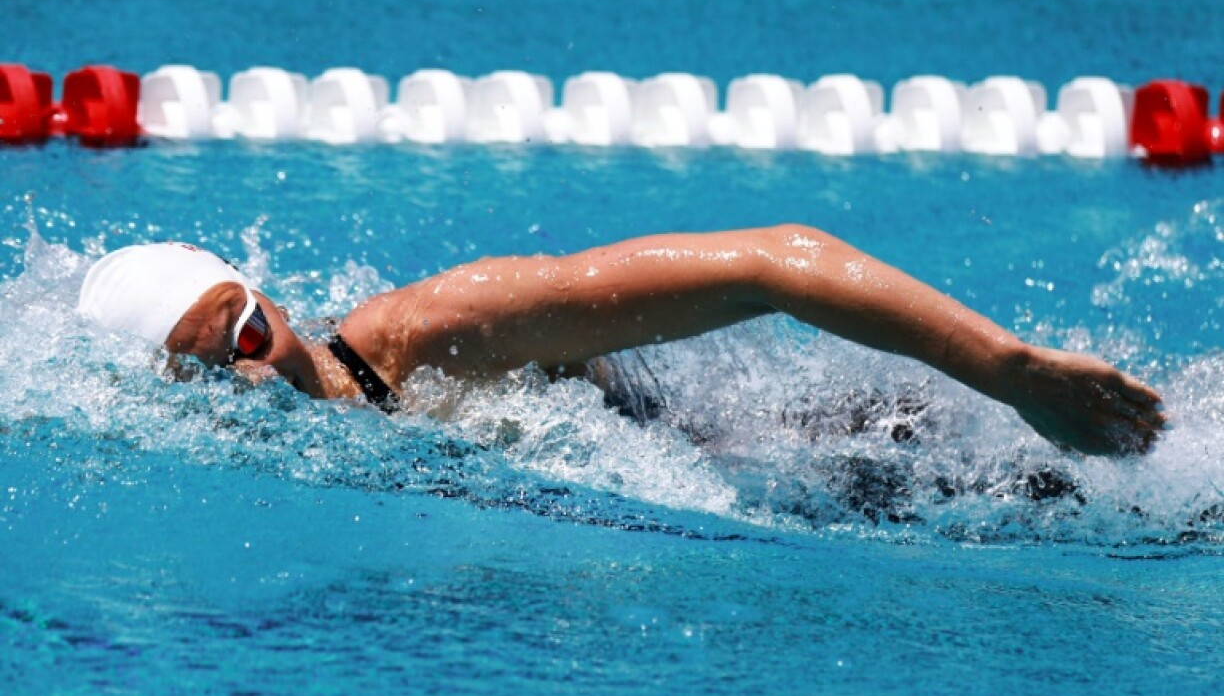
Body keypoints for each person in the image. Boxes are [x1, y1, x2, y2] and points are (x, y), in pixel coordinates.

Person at [77, 224, 1165, 456]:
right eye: (209, 373)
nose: (252, 370)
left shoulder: (441, 331)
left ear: (267, 297)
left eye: (248, 329)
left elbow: (770, 261)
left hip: (862, 456)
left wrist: (1010, 372)